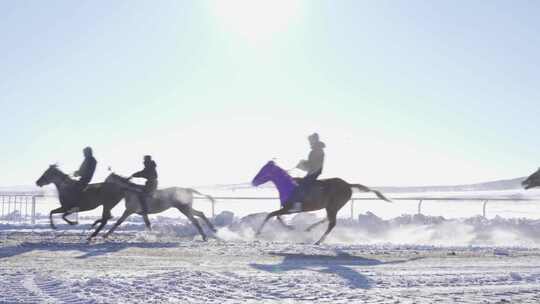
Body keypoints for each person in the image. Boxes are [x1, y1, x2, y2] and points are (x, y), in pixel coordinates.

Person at [287, 133, 326, 211]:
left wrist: (303, 164)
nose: (310, 142)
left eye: (310, 140)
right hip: (313, 171)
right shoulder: (316, 150)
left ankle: (298, 205)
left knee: (301, 185)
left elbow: (314, 164)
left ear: (314, 140)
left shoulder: (317, 151)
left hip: (314, 172)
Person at [65, 146, 97, 211]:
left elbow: (86, 171)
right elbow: (82, 169)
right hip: (83, 178)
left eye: (84, 153)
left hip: (85, 179)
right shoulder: (88, 159)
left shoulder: (90, 160)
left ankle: (77, 205)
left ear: (88, 152)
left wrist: (78, 173)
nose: (84, 154)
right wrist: (77, 173)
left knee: (74, 189)